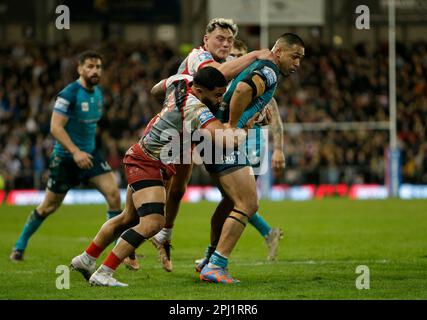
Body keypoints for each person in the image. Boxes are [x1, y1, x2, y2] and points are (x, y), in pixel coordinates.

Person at [70, 66, 246, 287]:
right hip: (147, 162)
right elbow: (225, 141)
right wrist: (244, 125)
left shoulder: (181, 81)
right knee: (153, 223)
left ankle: (86, 259)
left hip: (147, 157)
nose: (221, 100)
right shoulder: (195, 108)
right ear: (200, 91)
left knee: (129, 218)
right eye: (218, 95)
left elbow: (155, 90)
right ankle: (104, 273)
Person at [149, 18, 274, 272]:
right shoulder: (198, 56)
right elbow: (219, 77)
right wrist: (254, 55)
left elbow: (231, 98)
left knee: (231, 198)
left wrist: (257, 114)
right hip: (180, 128)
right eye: (220, 38)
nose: (226, 43)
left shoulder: (227, 65)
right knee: (170, 188)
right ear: (206, 40)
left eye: (229, 40)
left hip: (203, 130)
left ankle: (206, 254)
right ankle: (151, 238)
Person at [9, 51, 138, 270]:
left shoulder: (98, 93)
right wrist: (76, 152)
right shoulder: (68, 94)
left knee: (114, 195)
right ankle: (19, 246)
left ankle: (120, 251)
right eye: (90, 66)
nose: (95, 70)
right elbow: (55, 128)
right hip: (67, 158)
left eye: (98, 66)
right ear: (79, 68)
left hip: (90, 155)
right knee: (49, 206)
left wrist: (86, 151)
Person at [197, 33, 305, 283]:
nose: (297, 63)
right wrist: (234, 125)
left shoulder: (265, 68)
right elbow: (243, 89)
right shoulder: (269, 70)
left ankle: (209, 259)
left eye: (301, 59)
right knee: (248, 204)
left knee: (230, 202)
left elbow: (245, 95)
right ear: (278, 52)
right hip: (222, 140)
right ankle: (216, 265)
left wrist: (248, 119)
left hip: (213, 140)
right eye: (295, 56)